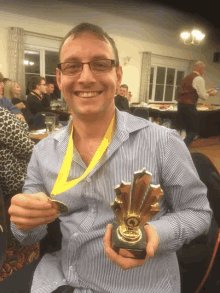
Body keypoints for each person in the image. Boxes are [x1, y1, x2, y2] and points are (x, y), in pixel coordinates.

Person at [3, 23, 212, 293]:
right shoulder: (44, 152)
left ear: (118, 73)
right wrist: (23, 220)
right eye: (73, 66)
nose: (86, 77)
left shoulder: (163, 142)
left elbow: (198, 213)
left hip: (139, 284)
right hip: (63, 277)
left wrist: (154, 234)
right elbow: (29, 235)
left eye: (100, 64)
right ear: (59, 77)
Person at [176, 61, 217, 147]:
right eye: (204, 69)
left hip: (180, 106)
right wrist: (211, 93)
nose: (204, 71)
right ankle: (181, 148)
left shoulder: (186, 77)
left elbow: (191, 91)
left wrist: (206, 91)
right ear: (200, 68)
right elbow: (203, 97)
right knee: (194, 131)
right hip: (189, 106)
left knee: (187, 129)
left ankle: (183, 149)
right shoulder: (199, 78)